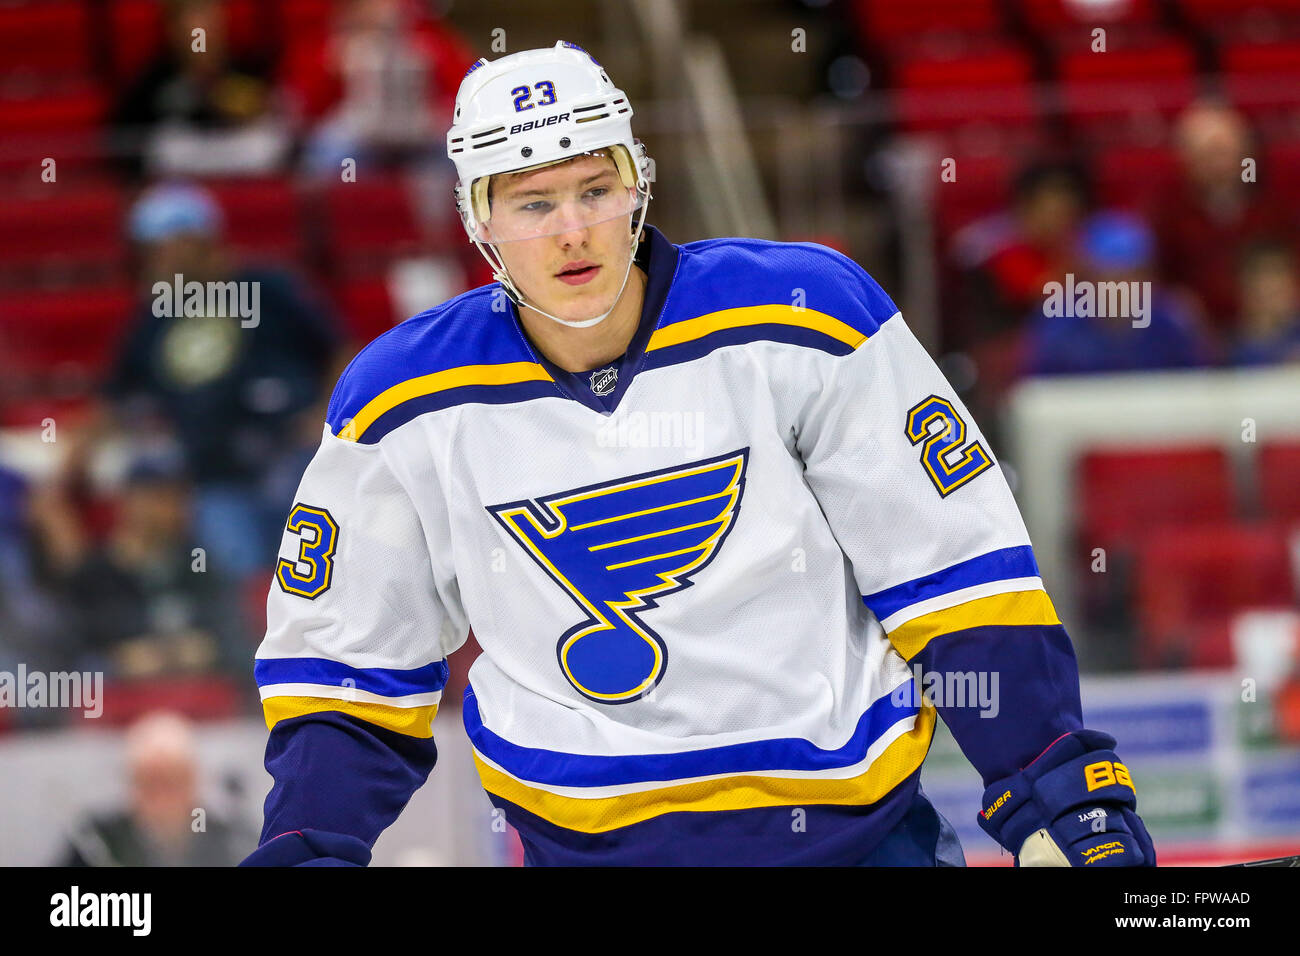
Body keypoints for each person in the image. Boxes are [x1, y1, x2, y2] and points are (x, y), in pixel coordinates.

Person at [244, 42, 1155, 867]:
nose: (572, 230)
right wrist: (307, 850)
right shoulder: (401, 402)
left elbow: (955, 580)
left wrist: (1057, 794)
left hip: (857, 846)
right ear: (477, 219)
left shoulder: (804, 316)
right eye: (533, 203)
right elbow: (344, 672)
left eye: (595, 190)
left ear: (639, 184)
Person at [57, 711, 253, 866]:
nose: (161, 796)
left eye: (172, 780)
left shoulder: (232, 839)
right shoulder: (96, 843)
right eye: (149, 782)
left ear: (193, 780)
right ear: (131, 783)